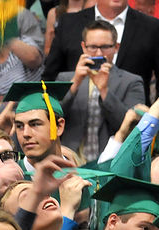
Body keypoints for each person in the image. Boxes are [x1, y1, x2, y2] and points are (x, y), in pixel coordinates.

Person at [44, 0, 159, 103]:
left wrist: (154, 119)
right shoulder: (69, 23)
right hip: (76, 117)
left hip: (132, 118)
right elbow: (50, 75)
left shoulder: (151, 28)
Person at [56, 21, 146, 163]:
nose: (98, 53)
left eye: (105, 47)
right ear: (83, 47)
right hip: (68, 161)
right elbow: (51, 119)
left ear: (116, 47)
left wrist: (104, 91)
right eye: (92, 47)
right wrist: (75, 84)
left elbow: (133, 129)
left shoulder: (132, 81)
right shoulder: (65, 78)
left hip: (112, 161)